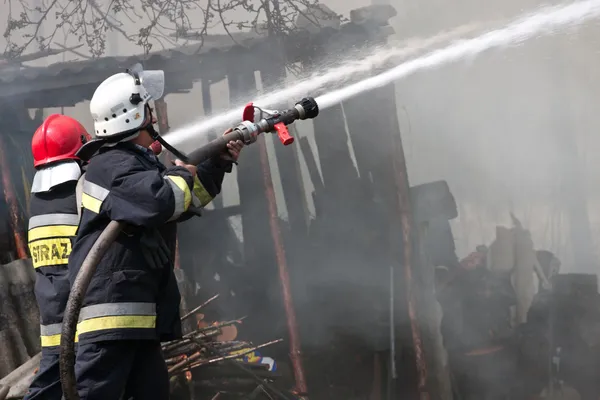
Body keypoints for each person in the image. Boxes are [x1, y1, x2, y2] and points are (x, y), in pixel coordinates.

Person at [68, 65, 243, 400]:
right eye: (148, 109)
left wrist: (216, 162)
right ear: (134, 115)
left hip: (136, 321)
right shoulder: (110, 166)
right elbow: (159, 202)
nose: (153, 117)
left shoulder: (135, 165)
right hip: (110, 323)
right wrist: (179, 176)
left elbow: (180, 203)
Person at [24, 114, 92, 399]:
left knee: (50, 387)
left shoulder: (37, 201)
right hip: (81, 317)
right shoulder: (80, 191)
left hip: (52, 317)